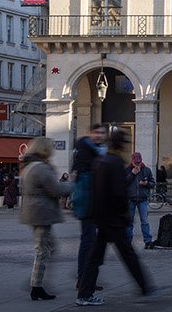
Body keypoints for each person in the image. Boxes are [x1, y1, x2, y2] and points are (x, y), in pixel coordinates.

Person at [77, 129, 158, 306]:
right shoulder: (115, 163)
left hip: (102, 218)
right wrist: (124, 216)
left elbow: (97, 191)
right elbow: (119, 193)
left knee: (95, 258)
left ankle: (84, 293)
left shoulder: (100, 161)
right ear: (121, 145)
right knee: (128, 255)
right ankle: (145, 287)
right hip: (113, 219)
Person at [21, 136, 72, 301]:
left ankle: (37, 280)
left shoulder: (29, 166)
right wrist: (74, 184)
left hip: (34, 212)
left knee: (48, 248)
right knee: (43, 250)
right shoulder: (41, 168)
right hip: (41, 213)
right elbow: (56, 190)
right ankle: (36, 285)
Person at [71, 124, 107, 300]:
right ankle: (84, 280)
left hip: (93, 203)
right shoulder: (87, 150)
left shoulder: (94, 150)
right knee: (89, 242)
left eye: (102, 133)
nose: (99, 135)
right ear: (90, 133)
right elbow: (85, 177)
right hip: (88, 203)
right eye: (96, 132)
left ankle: (85, 279)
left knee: (91, 242)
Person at [125, 152, 155, 248]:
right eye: (136, 162)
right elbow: (123, 183)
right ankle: (128, 242)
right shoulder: (127, 170)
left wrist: (146, 184)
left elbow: (153, 183)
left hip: (143, 199)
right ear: (132, 161)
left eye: (139, 162)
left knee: (145, 221)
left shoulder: (146, 170)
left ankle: (148, 241)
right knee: (129, 222)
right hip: (130, 199)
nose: (137, 164)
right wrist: (132, 174)